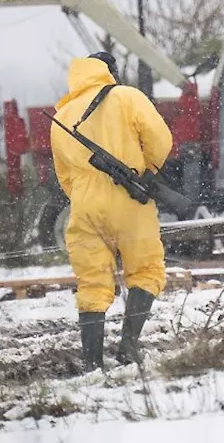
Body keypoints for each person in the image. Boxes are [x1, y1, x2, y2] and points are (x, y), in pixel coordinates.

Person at [50, 51, 174, 369]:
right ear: (111, 72)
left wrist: (85, 195)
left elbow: (64, 175)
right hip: (129, 200)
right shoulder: (126, 97)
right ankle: (128, 348)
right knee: (146, 271)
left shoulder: (62, 116)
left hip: (84, 207)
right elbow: (160, 140)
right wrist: (148, 171)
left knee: (92, 282)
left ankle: (92, 361)